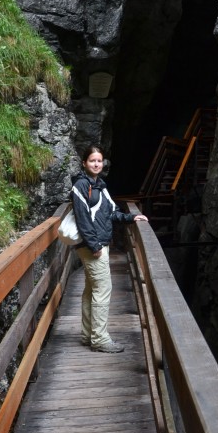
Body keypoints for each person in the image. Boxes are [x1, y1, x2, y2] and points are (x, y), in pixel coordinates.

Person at [71, 144, 147, 353]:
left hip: (98, 244)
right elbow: (83, 219)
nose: (96, 164)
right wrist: (94, 245)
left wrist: (131, 217)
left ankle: (88, 335)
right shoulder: (80, 186)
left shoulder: (100, 185)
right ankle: (100, 339)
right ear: (84, 163)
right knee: (103, 290)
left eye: (99, 161)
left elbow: (111, 212)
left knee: (91, 290)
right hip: (92, 247)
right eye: (92, 161)